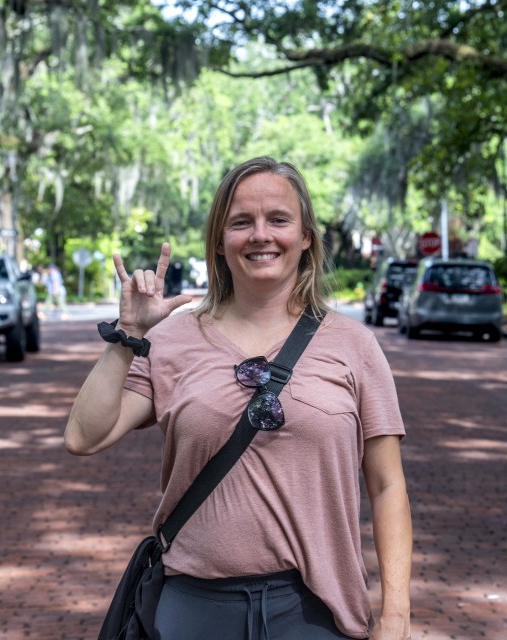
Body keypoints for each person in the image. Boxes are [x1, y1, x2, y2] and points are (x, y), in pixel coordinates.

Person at [64, 156, 412, 640]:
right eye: (241, 222)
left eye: (279, 220)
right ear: (220, 242)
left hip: (315, 611)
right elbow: (84, 436)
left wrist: (396, 616)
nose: (260, 235)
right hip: (194, 606)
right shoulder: (172, 340)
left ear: (306, 237)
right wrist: (128, 334)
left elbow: (387, 485)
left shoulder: (354, 345)